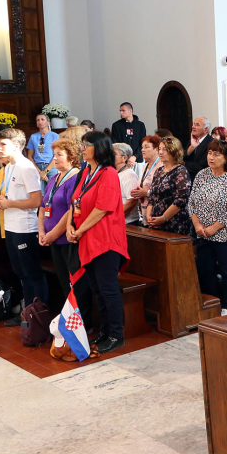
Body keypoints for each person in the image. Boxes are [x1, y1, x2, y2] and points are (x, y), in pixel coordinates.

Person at [62, 130, 130, 355]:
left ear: (99, 147)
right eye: (82, 144)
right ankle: (104, 330)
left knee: (108, 289)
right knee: (96, 289)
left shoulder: (108, 173)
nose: (82, 148)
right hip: (86, 239)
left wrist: (79, 230)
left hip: (105, 240)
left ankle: (116, 335)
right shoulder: (85, 172)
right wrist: (70, 227)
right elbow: (75, 202)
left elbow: (103, 208)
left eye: (87, 144)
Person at [0, 128, 49, 325]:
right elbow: (5, 194)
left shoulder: (25, 167)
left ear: (17, 145)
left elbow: (37, 201)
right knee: (20, 272)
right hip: (11, 226)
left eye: (3, 144)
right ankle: (26, 312)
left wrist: (9, 204)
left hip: (25, 227)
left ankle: (39, 315)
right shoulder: (8, 167)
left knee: (32, 273)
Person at [189, 139, 227, 317]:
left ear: (225, 157)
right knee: (205, 270)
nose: (211, 157)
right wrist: (198, 224)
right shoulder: (202, 174)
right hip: (203, 233)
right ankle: (212, 303)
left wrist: (213, 228)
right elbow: (192, 203)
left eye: (216, 154)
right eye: (209, 153)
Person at [38, 137, 93, 320]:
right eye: (54, 155)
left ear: (71, 157)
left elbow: (72, 208)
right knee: (63, 281)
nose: (54, 159)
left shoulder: (76, 177)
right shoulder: (54, 177)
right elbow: (43, 205)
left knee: (77, 282)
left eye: (59, 155)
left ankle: (82, 321)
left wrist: (53, 233)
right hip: (53, 239)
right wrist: (41, 231)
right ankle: (69, 319)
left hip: (67, 239)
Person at [145, 136, 192, 235]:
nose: (160, 152)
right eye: (159, 149)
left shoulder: (181, 171)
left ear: (174, 151)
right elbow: (152, 197)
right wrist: (148, 215)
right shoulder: (159, 171)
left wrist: (164, 218)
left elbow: (181, 199)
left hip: (175, 223)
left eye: (165, 150)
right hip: (155, 222)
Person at [130, 135, 162, 225]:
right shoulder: (145, 166)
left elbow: (164, 190)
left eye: (147, 147)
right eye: (142, 147)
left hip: (157, 211)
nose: (142, 150)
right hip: (144, 209)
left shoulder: (162, 166)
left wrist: (147, 193)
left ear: (156, 149)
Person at [111, 143, 141, 224]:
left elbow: (132, 201)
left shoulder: (129, 175)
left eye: (114, 154)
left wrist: (116, 217)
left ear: (124, 158)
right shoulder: (112, 172)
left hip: (127, 222)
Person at [27, 114, 59, 184]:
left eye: (42, 119)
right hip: (37, 166)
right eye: (38, 120)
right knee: (39, 192)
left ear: (48, 122)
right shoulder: (33, 137)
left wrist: (45, 171)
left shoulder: (55, 136)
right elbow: (30, 156)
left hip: (51, 166)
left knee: (52, 190)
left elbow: (57, 155)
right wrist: (39, 171)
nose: (40, 122)